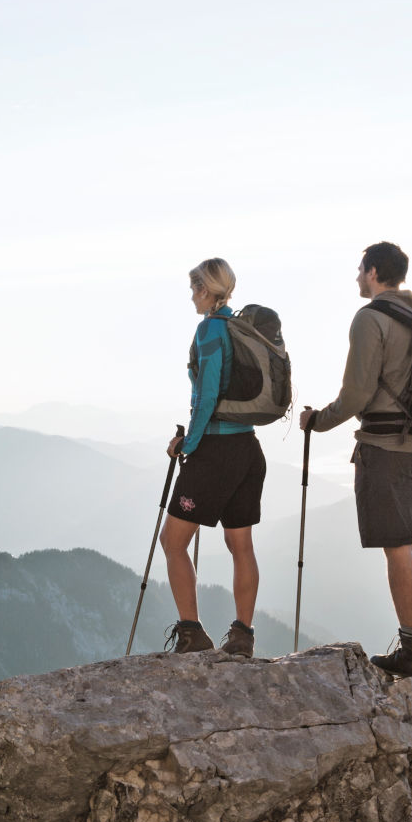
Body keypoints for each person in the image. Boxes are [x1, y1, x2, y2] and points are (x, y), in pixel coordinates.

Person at [298, 242, 412, 681]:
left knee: (399, 548)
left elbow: (357, 393)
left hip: (388, 447)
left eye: (360, 270)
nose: (357, 277)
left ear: (374, 272)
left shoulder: (370, 318)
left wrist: (318, 421)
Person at [159, 258, 267, 656]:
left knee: (172, 541)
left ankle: (192, 633)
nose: (191, 295)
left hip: (216, 451)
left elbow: (205, 397)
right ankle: (243, 635)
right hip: (248, 450)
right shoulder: (244, 329)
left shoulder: (209, 330)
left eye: (194, 288)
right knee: (241, 545)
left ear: (205, 289)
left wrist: (187, 444)